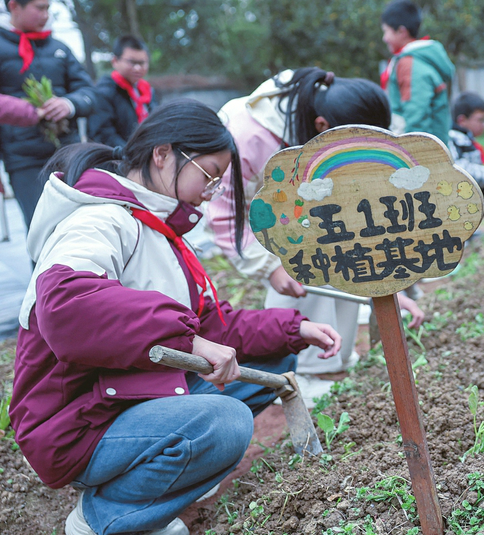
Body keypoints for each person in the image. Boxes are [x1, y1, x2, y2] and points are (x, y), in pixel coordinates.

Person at [9, 99, 341, 535]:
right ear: (162, 154)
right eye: (208, 174)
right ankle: (103, 517)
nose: (211, 189)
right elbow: (67, 303)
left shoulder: (157, 227)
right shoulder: (97, 221)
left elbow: (211, 325)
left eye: (219, 181)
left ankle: (172, 473)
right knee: (225, 423)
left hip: (123, 394)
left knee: (273, 361)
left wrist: (293, 329)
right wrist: (186, 340)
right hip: (76, 420)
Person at [207, 67, 423, 389]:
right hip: (256, 212)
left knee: (340, 248)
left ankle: (338, 357)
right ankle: (305, 371)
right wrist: (269, 267)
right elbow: (225, 216)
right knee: (300, 263)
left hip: (297, 207)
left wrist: (385, 286)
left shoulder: (321, 109)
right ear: (322, 128)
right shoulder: (251, 137)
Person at [0, 0, 96, 230]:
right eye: (40, 8)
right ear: (14, 5)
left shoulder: (59, 48)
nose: (46, 15)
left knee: (80, 229)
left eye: (48, 8)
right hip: (24, 160)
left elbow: (89, 93)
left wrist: (69, 104)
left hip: (68, 154)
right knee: (42, 233)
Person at [380, 0, 455, 145]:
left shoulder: (410, 64)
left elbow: (416, 114)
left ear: (401, 31)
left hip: (424, 153)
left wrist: (411, 152)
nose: (384, 38)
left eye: (386, 31)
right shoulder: (414, 60)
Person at [88, 34, 156, 147]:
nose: (138, 68)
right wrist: (131, 155)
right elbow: (104, 135)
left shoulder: (147, 91)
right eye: (132, 62)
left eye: (142, 63)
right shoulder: (104, 92)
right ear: (115, 61)